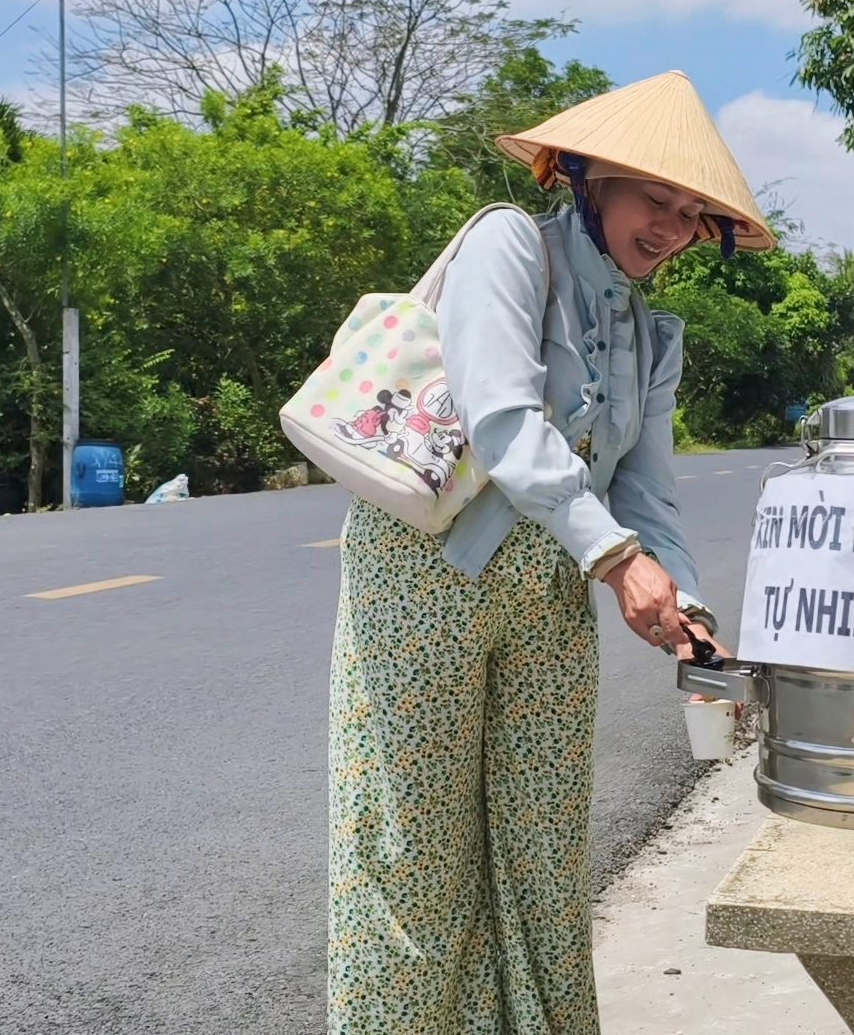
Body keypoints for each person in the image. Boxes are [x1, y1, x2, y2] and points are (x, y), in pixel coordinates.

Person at [325, 71, 776, 1033]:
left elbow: (647, 488)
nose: (670, 226)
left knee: (542, 852)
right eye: (655, 198)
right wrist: (618, 563)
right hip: (428, 576)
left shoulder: (656, 337)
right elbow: (500, 420)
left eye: (692, 214)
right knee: (416, 856)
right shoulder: (508, 248)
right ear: (587, 177)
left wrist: (688, 609)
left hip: (553, 592)